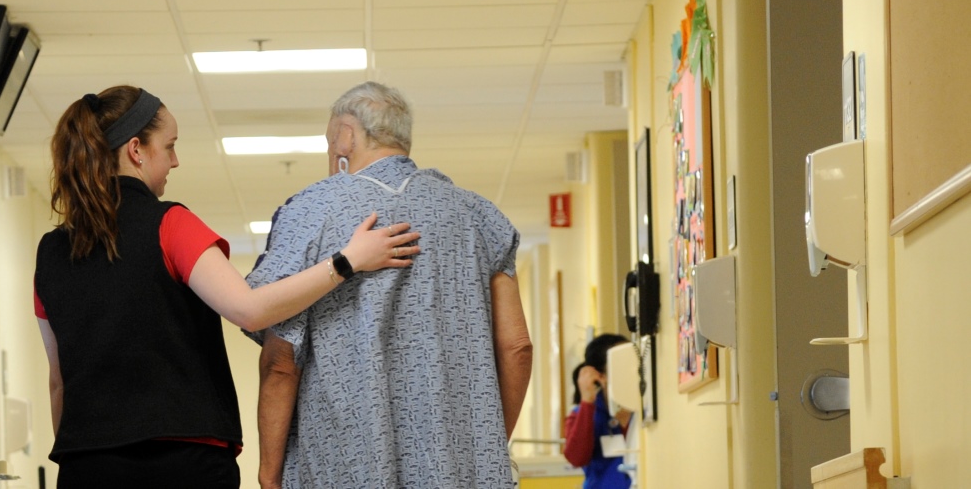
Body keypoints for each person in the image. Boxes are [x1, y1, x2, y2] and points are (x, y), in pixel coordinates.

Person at [32, 85, 421, 488]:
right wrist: (348, 261)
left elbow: (59, 381)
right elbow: (249, 309)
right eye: (169, 147)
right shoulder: (169, 224)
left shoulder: (50, 252)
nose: (175, 161)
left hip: (85, 468)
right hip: (182, 463)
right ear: (136, 150)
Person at [249, 81, 533, 488]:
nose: (330, 153)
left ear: (347, 135)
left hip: (341, 466)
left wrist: (269, 475)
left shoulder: (310, 211)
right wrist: (483, 446)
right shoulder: (480, 217)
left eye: (330, 142)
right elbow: (517, 347)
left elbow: (281, 361)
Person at [563, 334, 634, 489]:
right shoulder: (581, 413)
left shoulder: (644, 407)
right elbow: (576, 458)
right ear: (600, 375)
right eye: (622, 362)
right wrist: (587, 401)